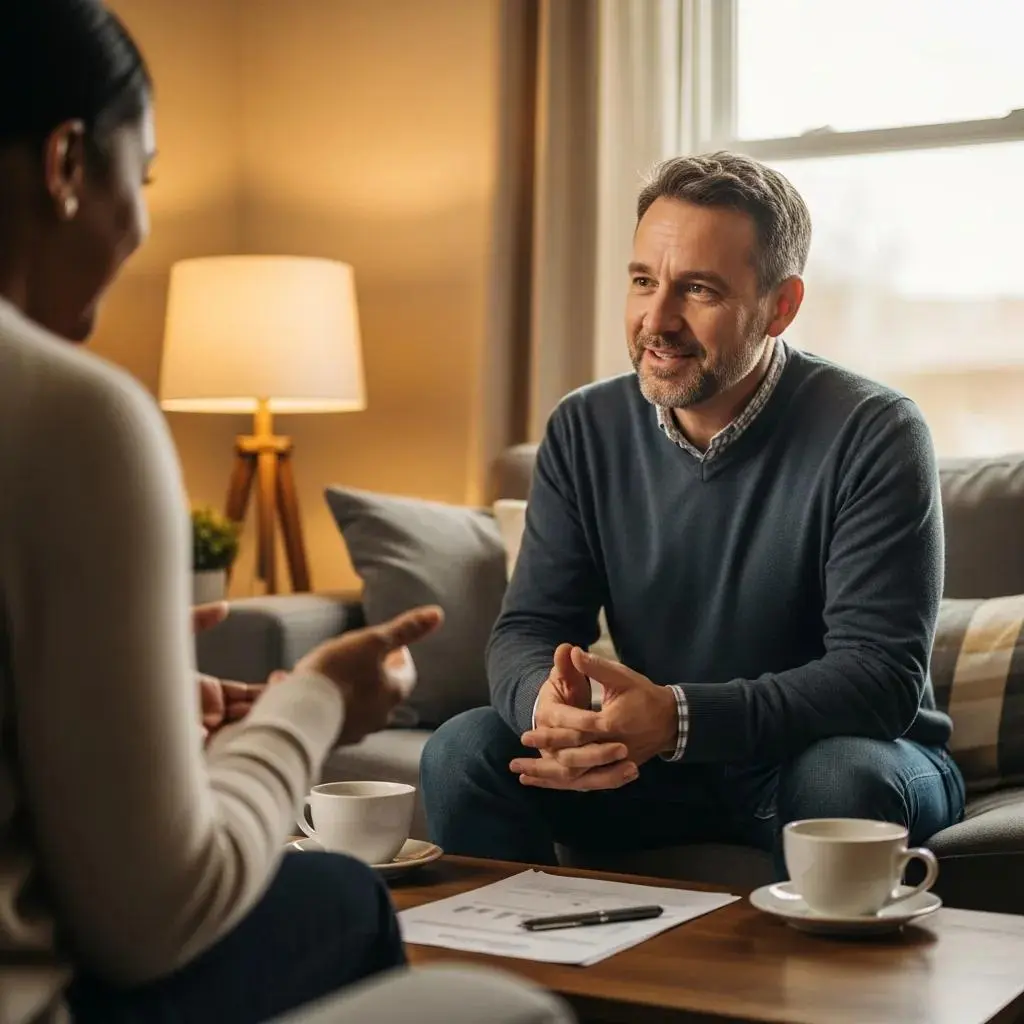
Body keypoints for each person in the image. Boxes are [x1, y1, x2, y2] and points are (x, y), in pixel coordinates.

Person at [0, 6, 576, 1024]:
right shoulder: (71, 418)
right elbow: (153, 920)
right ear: (66, 163)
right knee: (372, 918)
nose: (139, 223)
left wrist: (112, 684)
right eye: (145, 177)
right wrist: (305, 709)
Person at [421, 152, 966, 873]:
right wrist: (545, 707)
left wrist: (679, 718)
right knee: (463, 750)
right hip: (657, 770)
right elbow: (530, 627)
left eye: (699, 289)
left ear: (780, 306)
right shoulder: (584, 428)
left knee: (840, 778)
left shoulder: (875, 430)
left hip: (840, 756)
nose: (657, 319)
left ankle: (810, 955)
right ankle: (525, 948)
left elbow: (878, 679)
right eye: (643, 281)